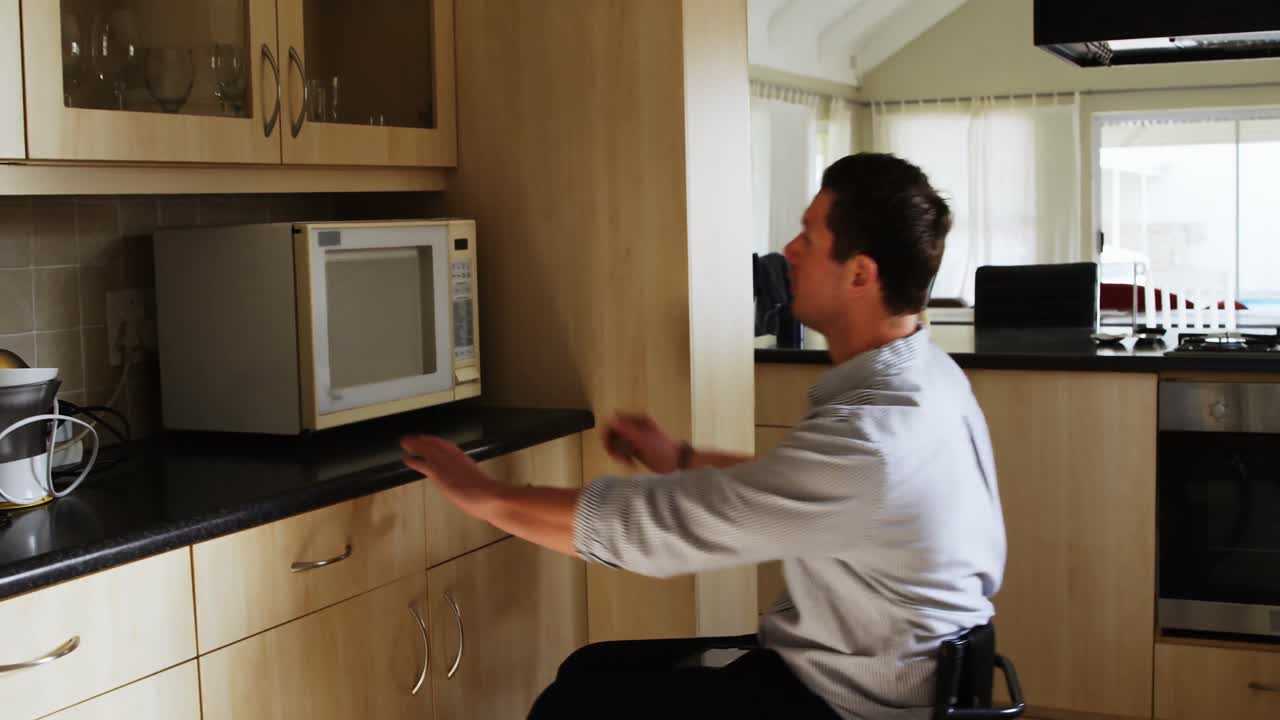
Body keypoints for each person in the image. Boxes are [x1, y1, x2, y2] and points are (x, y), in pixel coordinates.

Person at [400, 152, 1007, 719]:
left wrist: (483, 494)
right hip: (898, 677)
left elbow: (652, 530)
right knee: (594, 670)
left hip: (850, 703)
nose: (789, 251)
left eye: (810, 238)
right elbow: (799, 489)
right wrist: (681, 458)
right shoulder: (928, 378)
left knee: (580, 700)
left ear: (860, 275)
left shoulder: (871, 437)